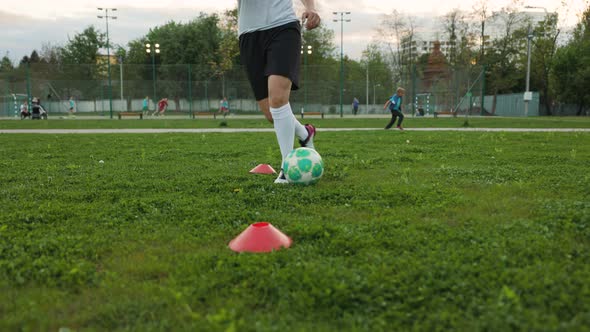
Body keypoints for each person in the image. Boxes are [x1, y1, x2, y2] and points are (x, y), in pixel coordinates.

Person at [238, 0, 321, 184]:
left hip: (283, 26)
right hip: (249, 34)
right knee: (270, 113)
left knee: (278, 99)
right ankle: (305, 133)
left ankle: (287, 169)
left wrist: (310, 8)